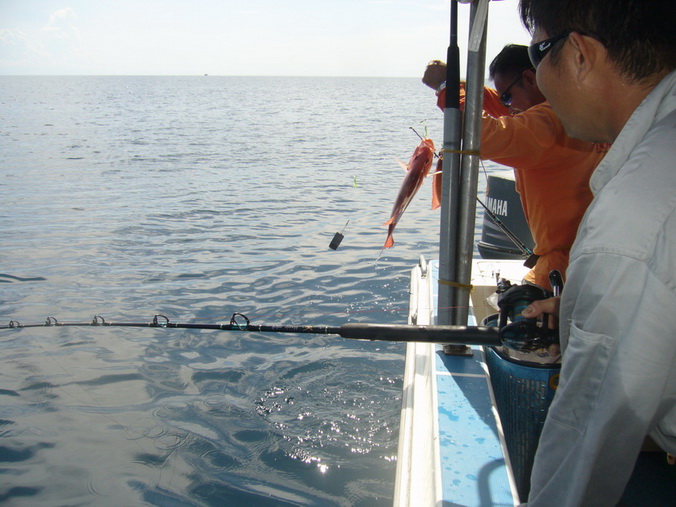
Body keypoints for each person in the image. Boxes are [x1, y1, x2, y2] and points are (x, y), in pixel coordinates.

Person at [515, 0, 676, 505]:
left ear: (580, 53)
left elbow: (582, 456)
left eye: (537, 51)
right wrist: (587, 305)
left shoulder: (634, 216)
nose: (538, 78)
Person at [423, 45, 607, 292]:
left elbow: (483, 136)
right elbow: (504, 107)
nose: (506, 106)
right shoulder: (581, 108)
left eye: (507, 96)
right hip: (594, 255)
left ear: (530, 78)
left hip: (566, 270)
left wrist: (447, 88)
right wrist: (463, 84)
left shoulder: (548, 125)